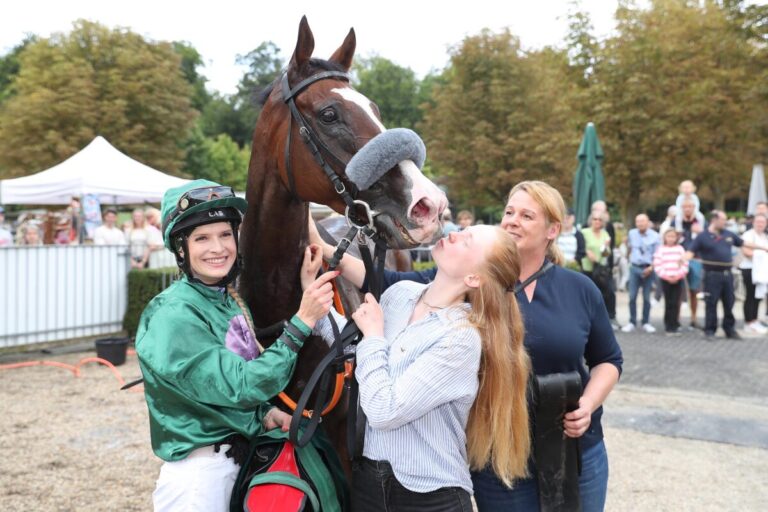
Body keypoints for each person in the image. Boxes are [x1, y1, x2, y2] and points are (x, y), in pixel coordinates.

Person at [312, 181, 623, 511]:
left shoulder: (580, 289)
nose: (513, 220)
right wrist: (325, 249)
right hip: (496, 455)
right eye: (509, 211)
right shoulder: (461, 284)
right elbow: (387, 287)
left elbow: (608, 359)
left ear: (553, 230)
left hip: (570, 446)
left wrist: (587, 405)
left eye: (527, 215)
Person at [135, 179, 338, 511]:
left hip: (240, 463)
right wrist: (303, 321)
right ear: (181, 248)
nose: (218, 248)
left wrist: (266, 414)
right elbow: (243, 385)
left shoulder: (226, 299)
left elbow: (218, 393)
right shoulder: (172, 315)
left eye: (225, 235)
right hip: (200, 480)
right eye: (202, 238)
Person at [312, 224, 530, 511]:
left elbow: (384, 410)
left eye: (466, 241)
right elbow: (357, 356)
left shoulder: (461, 338)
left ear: (474, 278)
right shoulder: (401, 294)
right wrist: (313, 300)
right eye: (462, 230)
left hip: (430, 498)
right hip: (369, 484)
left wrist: (374, 336)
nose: (453, 234)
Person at [686, 210, 768, 339]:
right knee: (711, 303)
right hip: (712, 275)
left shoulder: (728, 234)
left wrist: (763, 248)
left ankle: (729, 329)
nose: (725, 222)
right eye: (723, 220)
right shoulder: (703, 236)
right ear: (714, 220)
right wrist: (684, 259)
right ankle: (710, 330)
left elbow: (744, 243)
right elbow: (690, 252)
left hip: (727, 274)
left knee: (729, 302)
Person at [622, 214, 660, 333]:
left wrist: (652, 267)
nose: (640, 224)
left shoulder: (655, 236)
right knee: (632, 296)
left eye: (642, 221)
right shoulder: (632, 233)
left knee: (646, 297)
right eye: (638, 221)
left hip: (648, 268)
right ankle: (632, 321)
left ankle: (646, 322)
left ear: (648, 222)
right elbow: (629, 248)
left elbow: (658, 254)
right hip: (634, 267)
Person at [675, 198, 705, 329]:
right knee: (677, 290)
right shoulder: (676, 222)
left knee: (694, 290)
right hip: (679, 258)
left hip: (696, 258)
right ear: (681, 208)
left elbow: (707, 237)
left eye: (690, 206)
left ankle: (693, 318)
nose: (687, 209)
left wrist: (700, 232)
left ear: (694, 207)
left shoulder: (700, 221)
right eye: (685, 206)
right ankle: (676, 319)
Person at [653, 229, 688, 334]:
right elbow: (658, 265)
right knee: (668, 302)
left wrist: (678, 275)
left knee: (676, 302)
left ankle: (675, 323)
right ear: (664, 238)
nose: (671, 239)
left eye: (673, 236)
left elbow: (685, 264)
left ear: (676, 238)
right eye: (669, 236)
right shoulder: (661, 250)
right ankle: (668, 325)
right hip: (665, 279)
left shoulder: (680, 249)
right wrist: (666, 276)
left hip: (678, 279)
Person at [590, 200, 619, 329]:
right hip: (590, 268)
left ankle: (611, 317)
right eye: (597, 211)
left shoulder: (608, 230)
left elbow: (608, 252)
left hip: (605, 267)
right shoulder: (585, 230)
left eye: (603, 211)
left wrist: (605, 248)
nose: (599, 217)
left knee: (609, 292)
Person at [738, 213, 768, 334]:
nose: (760, 224)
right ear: (753, 222)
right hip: (750, 269)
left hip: (762, 271)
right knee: (750, 296)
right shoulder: (748, 235)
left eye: (763, 222)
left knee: (758, 296)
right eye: (758, 222)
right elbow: (746, 252)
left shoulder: (765, 236)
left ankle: (755, 319)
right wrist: (762, 253)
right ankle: (748, 321)